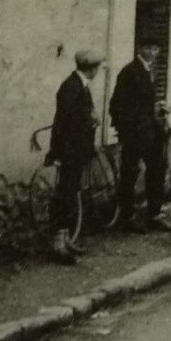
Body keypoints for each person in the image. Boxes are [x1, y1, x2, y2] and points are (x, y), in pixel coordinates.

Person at [110, 41, 171, 232]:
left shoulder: (148, 71)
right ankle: (127, 218)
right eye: (148, 48)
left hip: (150, 131)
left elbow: (144, 102)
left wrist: (156, 109)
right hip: (134, 133)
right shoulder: (129, 72)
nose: (152, 53)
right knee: (130, 174)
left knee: (157, 168)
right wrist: (128, 129)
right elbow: (117, 105)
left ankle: (155, 214)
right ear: (139, 49)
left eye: (155, 49)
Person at [46, 49, 103, 263]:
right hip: (70, 150)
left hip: (77, 149)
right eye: (97, 67)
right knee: (65, 195)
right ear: (92, 68)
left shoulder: (81, 85)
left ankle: (66, 238)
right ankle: (58, 244)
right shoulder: (71, 87)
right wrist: (58, 152)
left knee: (71, 193)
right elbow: (63, 122)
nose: (97, 71)